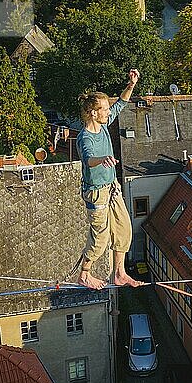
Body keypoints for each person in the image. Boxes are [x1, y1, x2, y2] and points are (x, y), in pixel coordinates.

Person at [76, 69, 143, 290]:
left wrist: (131, 84)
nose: (107, 112)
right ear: (93, 113)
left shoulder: (104, 125)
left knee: (124, 230)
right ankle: (84, 274)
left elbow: (120, 104)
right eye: (103, 109)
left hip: (112, 187)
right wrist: (101, 159)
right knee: (100, 239)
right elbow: (87, 159)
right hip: (96, 192)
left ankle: (119, 273)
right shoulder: (85, 137)